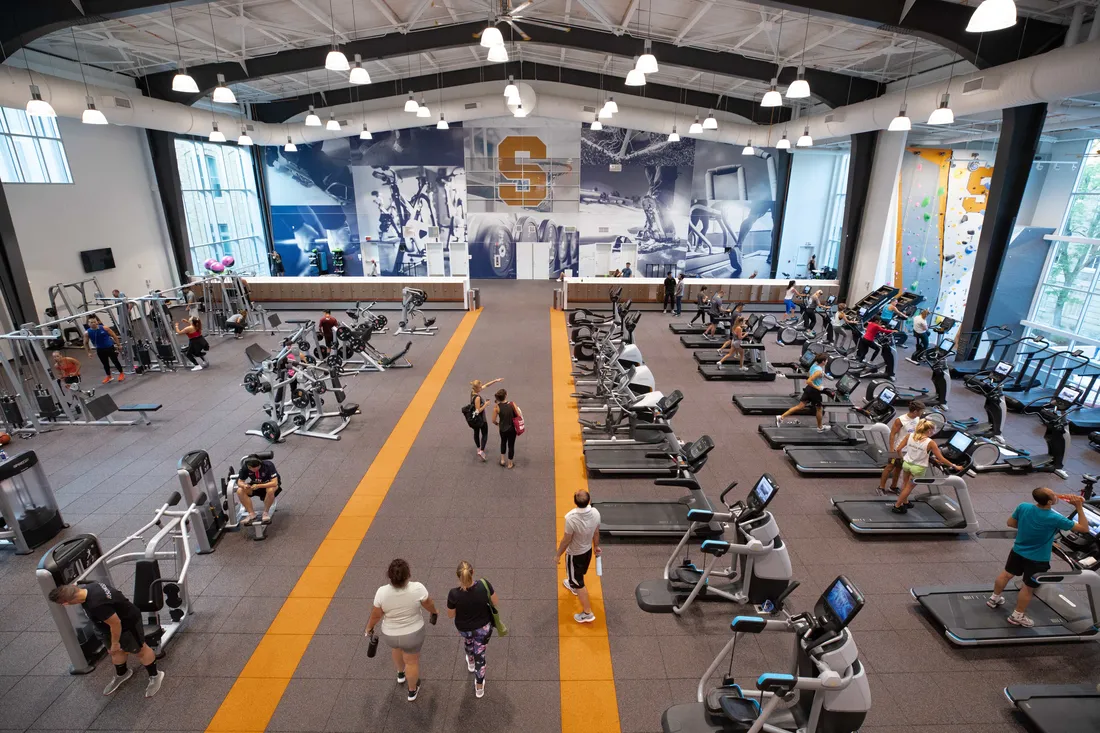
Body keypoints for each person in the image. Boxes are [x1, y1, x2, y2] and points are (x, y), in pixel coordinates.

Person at [987, 489, 1089, 627]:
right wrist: (1079, 507)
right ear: (1049, 502)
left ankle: (994, 599)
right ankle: (1017, 616)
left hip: (1018, 551)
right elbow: (1084, 528)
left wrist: (1027, 528)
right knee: (1028, 588)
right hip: (1038, 559)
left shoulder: (1023, 506)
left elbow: (1010, 523)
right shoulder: (1055, 518)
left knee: (1006, 574)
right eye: (1053, 494)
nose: (1055, 494)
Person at [47, 583, 165, 697]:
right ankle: (122, 673)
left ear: (67, 603)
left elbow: (116, 624)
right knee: (116, 652)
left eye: (63, 604)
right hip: (105, 627)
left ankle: (155, 675)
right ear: (74, 587)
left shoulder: (97, 605)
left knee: (140, 650)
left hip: (127, 624)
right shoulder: (90, 587)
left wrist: (115, 643)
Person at [365, 559, 439, 702]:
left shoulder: (382, 592)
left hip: (390, 634)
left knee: (397, 649)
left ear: (389, 576)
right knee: (411, 661)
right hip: (413, 633)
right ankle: (412, 690)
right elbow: (428, 603)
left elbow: (376, 614)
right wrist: (434, 611)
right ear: (408, 574)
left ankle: (400, 673)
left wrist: (369, 627)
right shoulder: (417, 588)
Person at [446, 561, 500, 699]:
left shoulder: (453, 594)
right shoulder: (484, 585)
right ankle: (479, 687)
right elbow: (495, 602)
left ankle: (470, 661)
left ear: (458, 576)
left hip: (464, 628)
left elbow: (450, 615)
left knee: (468, 641)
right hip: (483, 628)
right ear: (473, 572)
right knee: (480, 654)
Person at [891, 419, 962, 514]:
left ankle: (905, 502)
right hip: (918, 468)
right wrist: (955, 466)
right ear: (928, 431)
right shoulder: (930, 442)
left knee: (904, 483)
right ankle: (897, 506)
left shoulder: (910, 435)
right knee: (909, 487)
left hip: (907, 464)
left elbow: (899, 448)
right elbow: (941, 459)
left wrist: (902, 458)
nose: (934, 432)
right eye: (933, 431)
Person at [556, 489, 602, 624]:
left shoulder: (571, 518)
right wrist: (596, 546)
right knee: (579, 575)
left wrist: (558, 554)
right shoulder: (595, 512)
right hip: (587, 551)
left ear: (575, 501)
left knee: (578, 581)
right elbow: (596, 532)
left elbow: (566, 539)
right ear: (589, 500)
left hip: (574, 554)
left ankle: (587, 612)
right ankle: (574, 585)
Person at [878, 400, 924, 494]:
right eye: (921, 411)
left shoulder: (917, 419)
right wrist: (891, 450)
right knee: (890, 467)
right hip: (898, 448)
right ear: (915, 411)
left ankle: (893, 486)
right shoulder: (900, 420)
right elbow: (892, 434)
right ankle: (881, 487)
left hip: (910, 449)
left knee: (899, 468)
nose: (922, 413)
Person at [777, 352, 830, 432]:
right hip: (814, 391)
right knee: (819, 409)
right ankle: (820, 427)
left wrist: (822, 375)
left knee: (800, 406)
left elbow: (809, 374)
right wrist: (818, 387)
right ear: (823, 361)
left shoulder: (814, 365)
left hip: (808, 389)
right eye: (826, 360)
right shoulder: (818, 371)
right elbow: (808, 381)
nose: (827, 361)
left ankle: (781, 417)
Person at [236, 455, 280, 525]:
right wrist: (244, 485)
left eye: (256, 468)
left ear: (260, 464)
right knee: (240, 490)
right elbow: (239, 482)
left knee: (270, 490)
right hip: (255, 485)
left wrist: (259, 485)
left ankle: (265, 513)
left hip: (269, 484)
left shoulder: (269, 465)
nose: (254, 470)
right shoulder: (246, 467)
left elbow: (274, 483)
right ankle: (251, 514)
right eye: (251, 469)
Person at [84, 315, 125, 384]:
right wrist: (89, 352)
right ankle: (109, 376)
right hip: (100, 349)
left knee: (115, 361)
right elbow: (85, 343)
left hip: (109, 347)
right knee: (105, 363)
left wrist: (119, 345)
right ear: (88, 324)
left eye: (94, 322)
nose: (93, 323)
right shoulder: (87, 333)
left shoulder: (104, 328)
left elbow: (114, 335)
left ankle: (121, 373)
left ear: (97, 322)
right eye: (91, 322)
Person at [469, 378, 503, 462]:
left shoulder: (472, 393)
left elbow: (486, 385)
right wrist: (485, 404)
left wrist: (495, 380)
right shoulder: (477, 398)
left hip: (474, 419)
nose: (481, 388)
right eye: (480, 387)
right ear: (477, 388)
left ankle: (478, 448)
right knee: (484, 434)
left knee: (476, 433)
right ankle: (482, 450)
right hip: (480, 419)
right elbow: (478, 410)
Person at [492, 389, 522, 469]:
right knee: (511, 445)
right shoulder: (512, 404)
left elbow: (493, 420)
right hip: (512, 429)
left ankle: (502, 460)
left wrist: (498, 424)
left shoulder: (497, 407)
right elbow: (519, 415)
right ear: (506, 395)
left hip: (502, 429)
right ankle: (510, 464)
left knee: (503, 442)